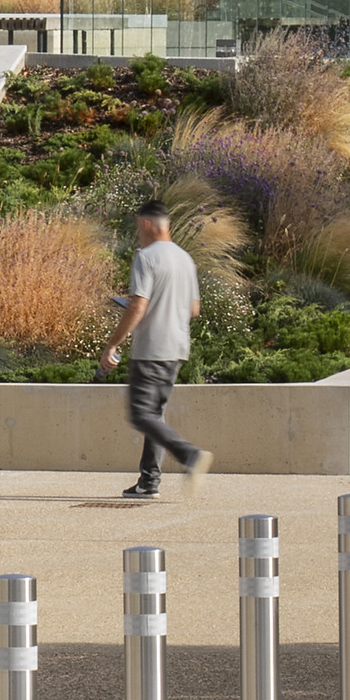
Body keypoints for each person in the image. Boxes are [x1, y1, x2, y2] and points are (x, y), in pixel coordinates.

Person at [120, 204, 208, 499]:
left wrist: (112, 343)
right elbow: (194, 309)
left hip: (151, 348)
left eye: (137, 226)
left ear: (146, 224)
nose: (138, 232)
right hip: (177, 348)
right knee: (155, 415)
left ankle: (190, 456)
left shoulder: (146, 258)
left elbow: (137, 306)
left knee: (141, 414)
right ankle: (149, 482)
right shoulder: (185, 259)